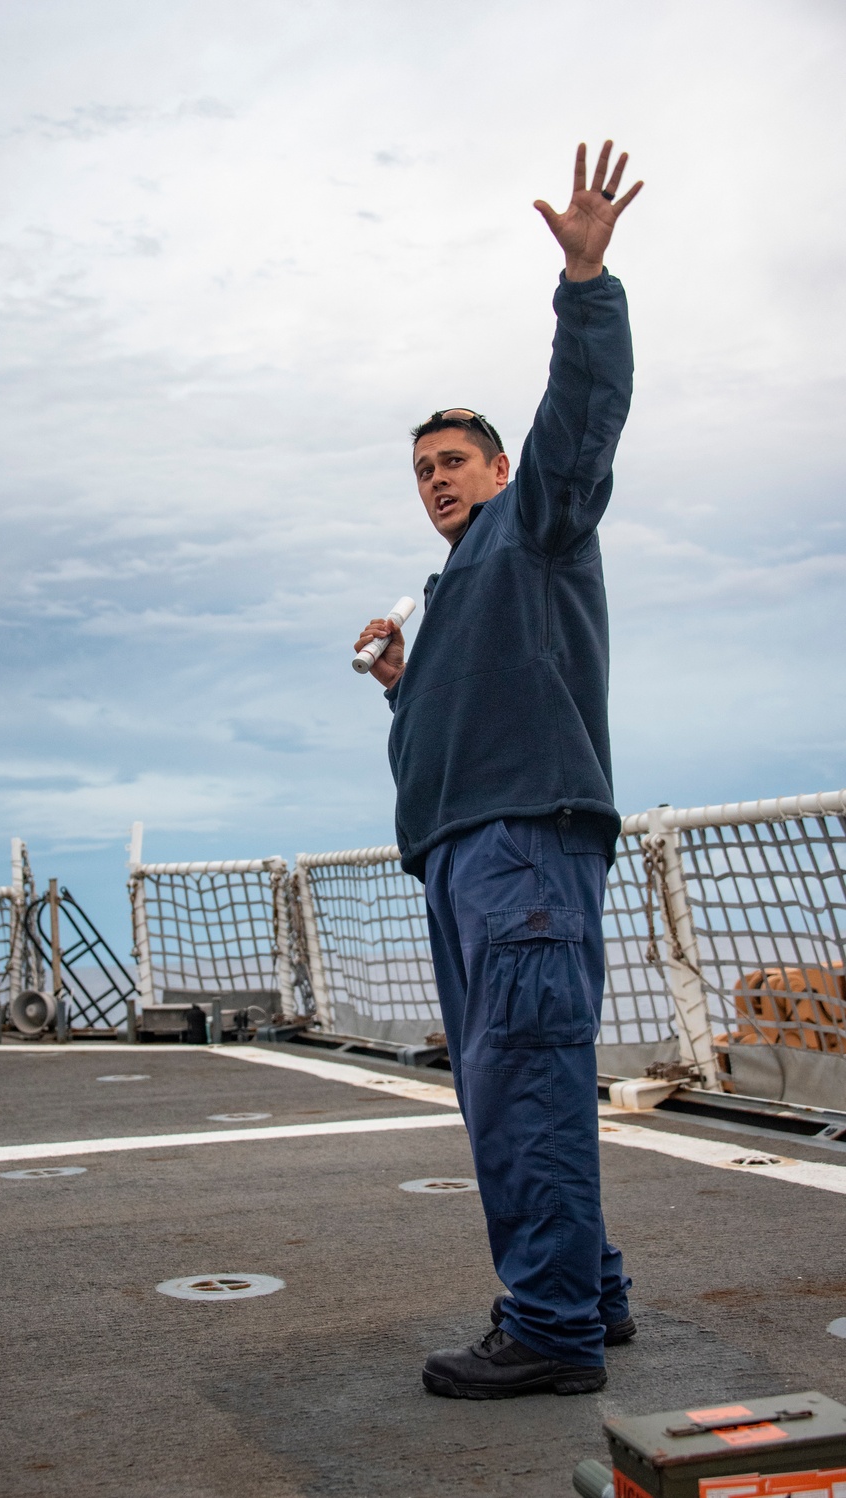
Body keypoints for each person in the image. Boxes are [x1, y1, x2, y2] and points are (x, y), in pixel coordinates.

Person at [353, 141, 643, 1399]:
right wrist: (400, 686)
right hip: (469, 856)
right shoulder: (456, 590)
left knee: (521, 1083)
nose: (435, 480)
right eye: (422, 470)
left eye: (453, 460)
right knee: (506, 1086)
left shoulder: (536, 524)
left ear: (498, 470)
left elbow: (579, 422)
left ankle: (553, 1328)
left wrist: (585, 285)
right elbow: (458, 728)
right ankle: (593, 1289)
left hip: (522, 847)